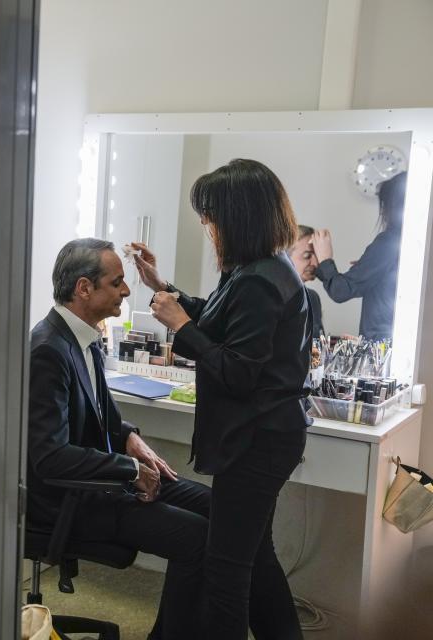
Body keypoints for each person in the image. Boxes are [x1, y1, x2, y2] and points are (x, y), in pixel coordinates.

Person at [133, 159, 309, 640]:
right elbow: (219, 316)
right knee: (257, 555)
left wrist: (180, 327)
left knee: (227, 571)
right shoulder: (261, 269)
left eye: (210, 218)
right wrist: (163, 289)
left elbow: (237, 373)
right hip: (269, 434)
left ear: (237, 217)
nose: (208, 228)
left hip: (257, 440)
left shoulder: (257, 278)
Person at [27, 238, 212, 640]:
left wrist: (132, 441)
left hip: (106, 480)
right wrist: (129, 469)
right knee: (196, 539)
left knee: (215, 507)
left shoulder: (85, 338)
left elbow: (106, 418)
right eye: (117, 283)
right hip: (71, 499)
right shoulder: (48, 350)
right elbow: (49, 457)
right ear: (83, 288)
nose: (127, 291)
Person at [310, 171, 406, 341]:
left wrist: (325, 260)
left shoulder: (390, 243)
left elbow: (340, 290)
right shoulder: (413, 246)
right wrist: (368, 268)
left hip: (385, 349)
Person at [288, 224, 325, 338]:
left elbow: (318, 344)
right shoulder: (268, 299)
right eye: (307, 256)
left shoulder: (313, 298)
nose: (316, 263)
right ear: (285, 258)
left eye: (317, 256)